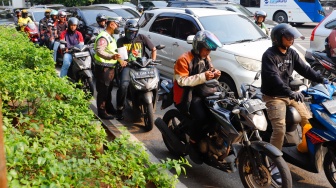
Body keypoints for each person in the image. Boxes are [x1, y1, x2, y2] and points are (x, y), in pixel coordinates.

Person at [261, 23, 328, 153]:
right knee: (280, 129)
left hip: (290, 94)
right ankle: (274, 160)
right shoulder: (269, 55)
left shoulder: (291, 52)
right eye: (288, 36)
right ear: (277, 38)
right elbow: (274, 78)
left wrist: (321, 78)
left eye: (292, 36)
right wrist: (290, 92)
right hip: (274, 97)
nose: (292, 39)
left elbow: (305, 69)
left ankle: (305, 147)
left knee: (308, 120)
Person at [173, 30, 222, 164]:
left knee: (217, 113)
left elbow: (209, 69)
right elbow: (182, 81)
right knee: (201, 117)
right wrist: (204, 76)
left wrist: (215, 73)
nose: (207, 53)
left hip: (202, 92)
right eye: (206, 50)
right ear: (198, 46)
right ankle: (193, 143)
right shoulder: (183, 59)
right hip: (187, 95)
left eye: (209, 51)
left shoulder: (206, 58)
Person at [116, 19, 157, 120]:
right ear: (125, 30)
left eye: (134, 32)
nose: (132, 34)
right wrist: (121, 61)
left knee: (156, 81)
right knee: (123, 85)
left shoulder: (141, 38)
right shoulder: (121, 41)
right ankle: (120, 108)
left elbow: (153, 49)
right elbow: (118, 55)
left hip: (143, 66)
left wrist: (153, 60)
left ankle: (153, 102)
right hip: (128, 67)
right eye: (130, 31)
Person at [94, 17, 122, 119]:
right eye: (117, 24)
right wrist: (111, 57)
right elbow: (99, 51)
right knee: (103, 91)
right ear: (111, 24)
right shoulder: (103, 37)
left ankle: (109, 108)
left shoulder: (111, 36)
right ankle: (102, 112)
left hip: (110, 68)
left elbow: (112, 51)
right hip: (103, 68)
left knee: (109, 90)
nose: (118, 26)